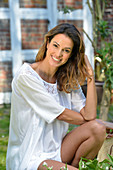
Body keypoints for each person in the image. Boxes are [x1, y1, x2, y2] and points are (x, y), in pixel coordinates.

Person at [6, 23, 107, 170]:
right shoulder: (26, 77)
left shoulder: (66, 79)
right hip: (30, 157)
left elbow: (89, 115)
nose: (58, 54)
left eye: (66, 50)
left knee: (97, 129)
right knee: (96, 125)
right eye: (55, 45)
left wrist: (90, 77)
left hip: (57, 150)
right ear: (47, 43)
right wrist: (94, 121)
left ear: (71, 55)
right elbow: (63, 115)